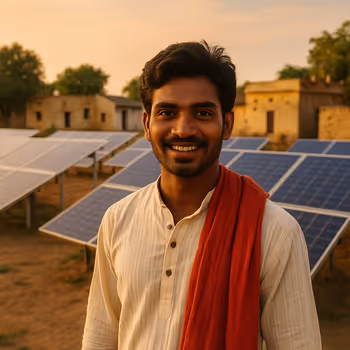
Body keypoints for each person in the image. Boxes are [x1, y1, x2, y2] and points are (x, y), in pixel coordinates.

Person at [82, 40, 322, 350]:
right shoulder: (117, 219)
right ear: (146, 124)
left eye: (203, 113)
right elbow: (100, 337)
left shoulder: (274, 232)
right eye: (167, 112)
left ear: (227, 125)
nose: (183, 129)